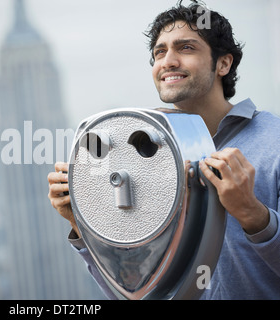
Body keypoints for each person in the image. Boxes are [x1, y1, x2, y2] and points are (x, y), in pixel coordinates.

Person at [47, 1, 280, 300]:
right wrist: (80, 222)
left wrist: (253, 214)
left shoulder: (274, 142)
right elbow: (136, 290)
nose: (167, 61)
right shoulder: (148, 154)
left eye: (186, 48)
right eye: (159, 52)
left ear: (223, 64)